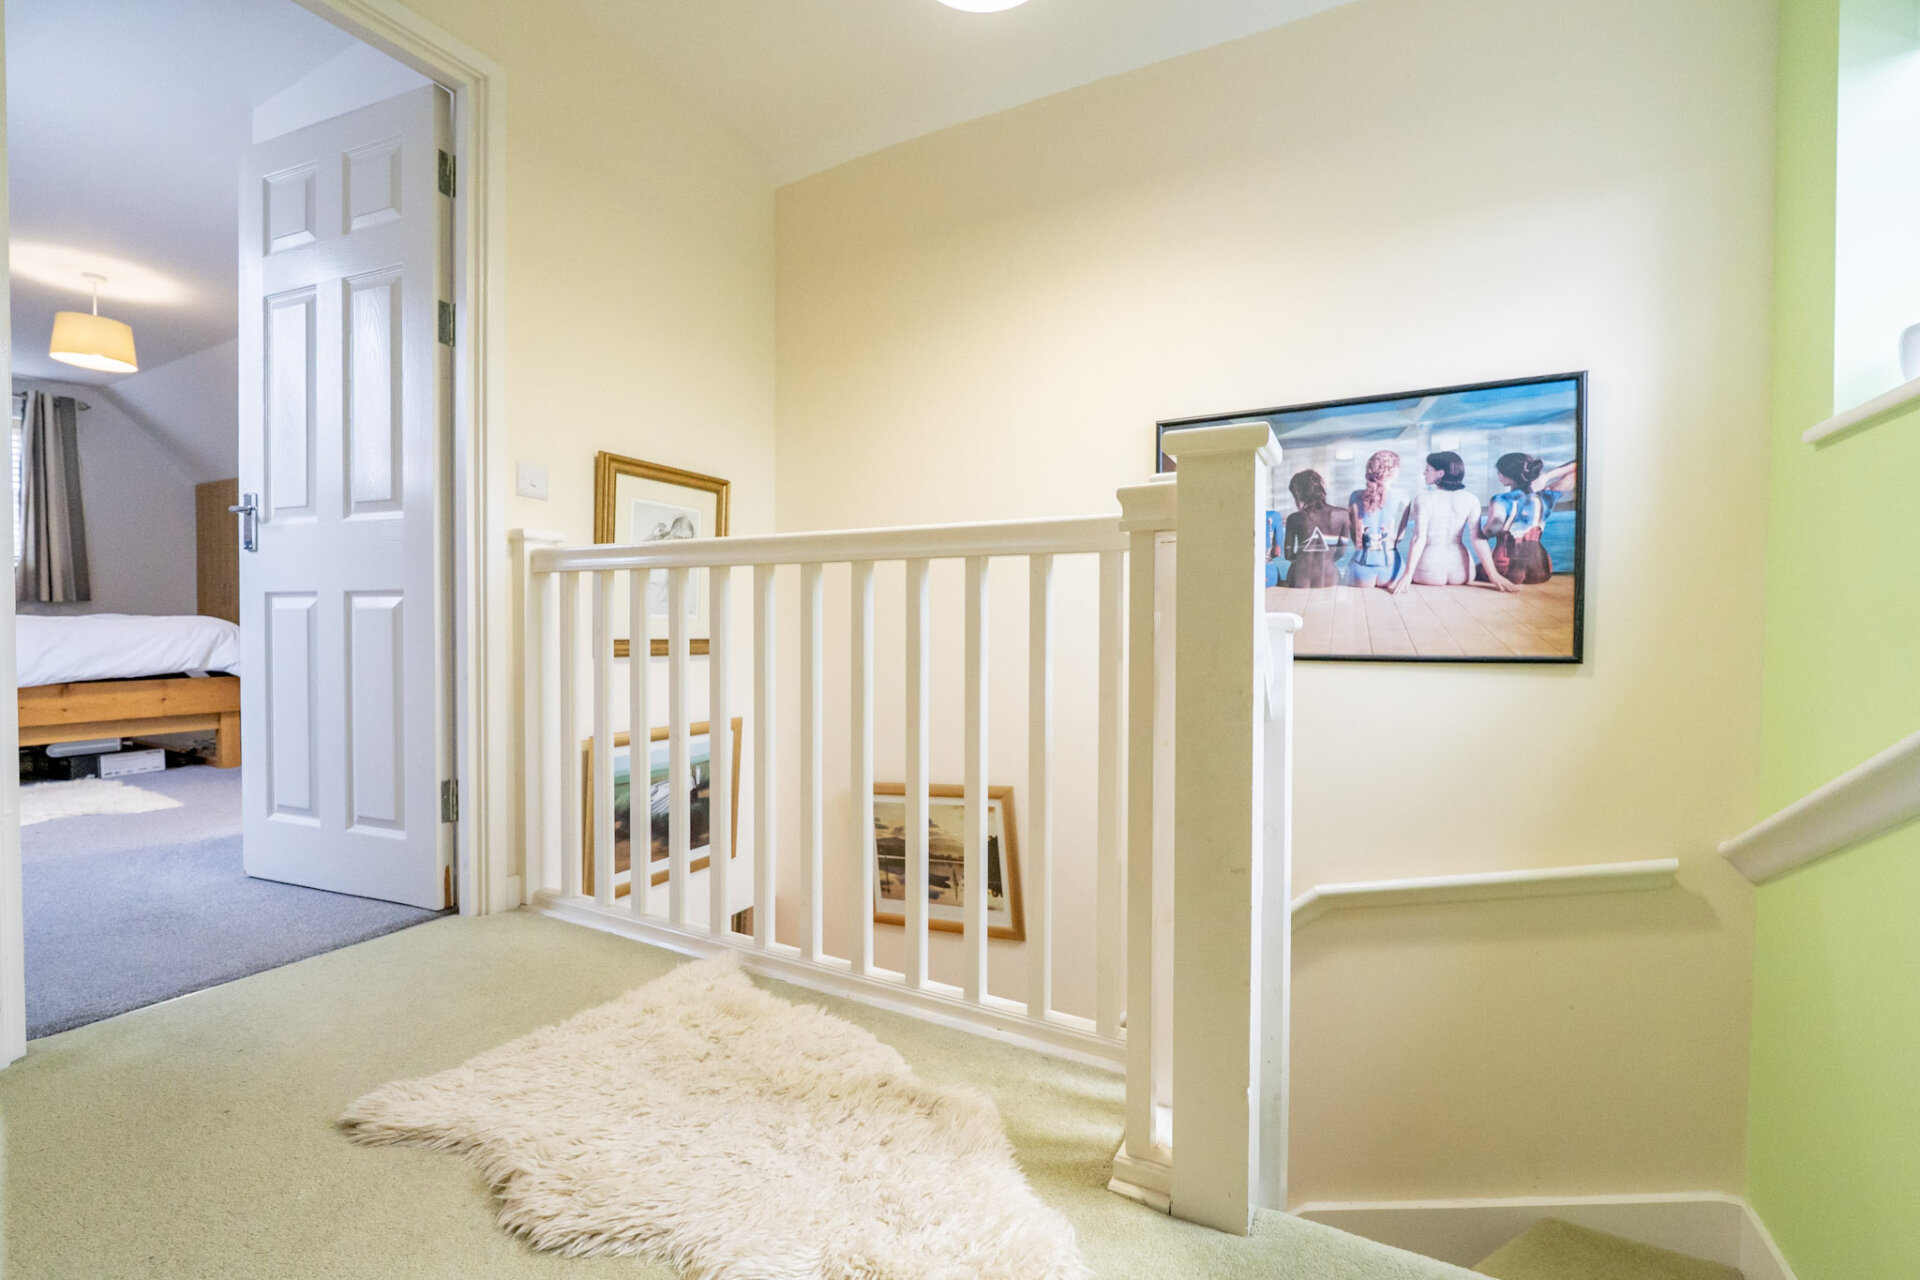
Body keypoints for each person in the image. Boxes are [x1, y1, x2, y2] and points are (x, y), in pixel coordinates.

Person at [1390, 452, 1514, 594]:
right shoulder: (1471, 500)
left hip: (1429, 571)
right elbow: (1478, 540)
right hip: (1462, 572)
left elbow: (1418, 539)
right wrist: (1493, 575)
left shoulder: (1422, 499)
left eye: (1427, 469)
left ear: (1440, 473)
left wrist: (1407, 574)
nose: (1424, 473)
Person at [1481, 453, 1575, 586]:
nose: (1498, 474)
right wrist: (1547, 477)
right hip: (1541, 569)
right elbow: (1576, 468)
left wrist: (1478, 534)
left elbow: (1490, 531)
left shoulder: (1501, 499)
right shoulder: (1546, 497)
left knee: (1472, 569)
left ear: (1509, 476)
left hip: (1505, 568)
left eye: (1500, 471)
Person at [1346, 450, 1409, 588]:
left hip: (1359, 567)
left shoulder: (1354, 496)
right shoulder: (1403, 497)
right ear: (1395, 472)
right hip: (1392, 567)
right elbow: (1399, 538)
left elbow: (1354, 536)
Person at [1281, 469, 1353, 588]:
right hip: (1328, 577)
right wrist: (1325, 559)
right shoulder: (1342, 515)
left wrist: (1305, 557)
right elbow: (1341, 552)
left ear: (1299, 495)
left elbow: (1288, 555)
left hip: (1298, 578)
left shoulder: (1293, 518)